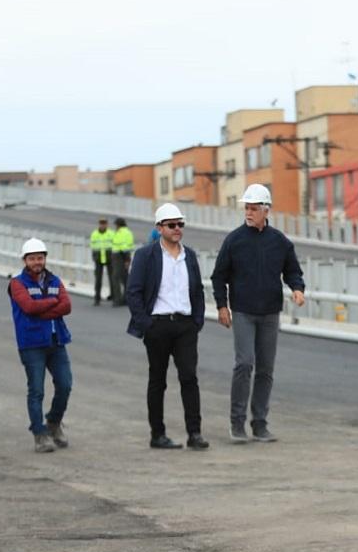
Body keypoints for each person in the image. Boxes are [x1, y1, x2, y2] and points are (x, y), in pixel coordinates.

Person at [211, 184, 305, 443]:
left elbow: (292, 271)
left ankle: (260, 424)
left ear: (266, 210)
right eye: (246, 208)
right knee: (244, 364)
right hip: (242, 311)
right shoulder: (234, 240)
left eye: (254, 208)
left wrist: (297, 288)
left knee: (265, 369)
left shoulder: (280, 242)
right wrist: (222, 306)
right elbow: (219, 276)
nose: (249, 213)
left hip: (270, 313)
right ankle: (237, 423)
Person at [126, 204, 208, 450]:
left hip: (185, 326)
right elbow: (133, 292)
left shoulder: (189, 256)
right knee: (158, 380)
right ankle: (157, 434)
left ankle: (195, 434)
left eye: (180, 224)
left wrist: (197, 321)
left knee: (189, 378)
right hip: (158, 326)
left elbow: (198, 291)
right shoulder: (145, 256)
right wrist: (146, 324)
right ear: (159, 228)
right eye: (171, 225)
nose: (177, 229)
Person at [7, 238, 73, 453]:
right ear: (25, 260)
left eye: (40, 258)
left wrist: (43, 309)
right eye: (33, 258)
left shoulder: (54, 280)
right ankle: (39, 433)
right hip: (32, 344)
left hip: (56, 341)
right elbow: (28, 307)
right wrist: (52, 304)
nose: (37, 262)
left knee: (65, 385)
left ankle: (53, 422)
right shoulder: (17, 283)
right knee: (36, 391)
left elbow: (67, 306)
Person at [89, 217, 115, 306]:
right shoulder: (94, 234)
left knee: (112, 278)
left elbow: (114, 245)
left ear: (107, 224)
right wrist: (94, 256)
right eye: (101, 223)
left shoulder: (111, 233)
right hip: (98, 258)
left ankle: (113, 296)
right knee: (98, 279)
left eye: (104, 223)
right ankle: (97, 298)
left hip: (109, 257)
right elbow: (92, 246)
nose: (103, 225)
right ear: (99, 224)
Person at [110, 217, 134, 307]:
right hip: (124, 256)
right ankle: (126, 299)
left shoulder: (121, 233)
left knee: (116, 278)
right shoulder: (128, 232)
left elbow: (124, 247)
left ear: (118, 225)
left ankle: (117, 300)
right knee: (125, 279)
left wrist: (126, 259)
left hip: (120, 256)